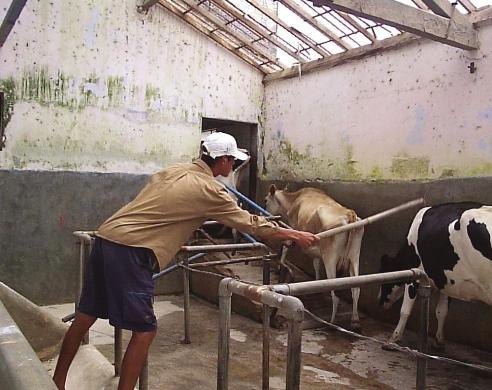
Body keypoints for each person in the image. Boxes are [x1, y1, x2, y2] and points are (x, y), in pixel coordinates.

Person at [53, 132, 319, 390]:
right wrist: (292, 233)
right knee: (145, 331)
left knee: (85, 316)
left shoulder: (173, 170)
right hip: (131, 250)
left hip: (106, 238)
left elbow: (164, 207)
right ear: (224, 160)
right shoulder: (210, 189)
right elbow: (249, 223)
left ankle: (57, 382)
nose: (234, 166)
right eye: (233, 161)